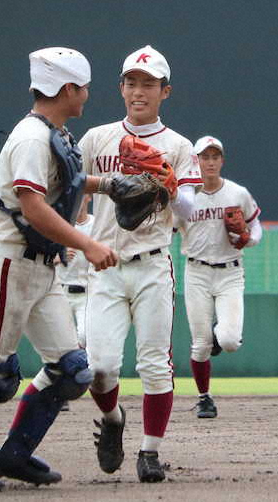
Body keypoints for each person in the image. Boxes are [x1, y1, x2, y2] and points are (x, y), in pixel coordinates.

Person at [0, 47, 117, 493]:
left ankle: (14, 455)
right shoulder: (32, 138)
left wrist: (112, 183)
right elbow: (33, 206)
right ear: (68, 88)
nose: (88, 95)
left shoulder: (53, 133)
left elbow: (70, 182)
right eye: (84, 87)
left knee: (72, 368)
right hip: (8, 266)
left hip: (40, 268)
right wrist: (87, 243)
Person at [79, 45, 202, 483]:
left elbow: (188, 210)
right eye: (131, 82)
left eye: (148, 84)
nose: (138, 91)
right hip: (105, 263)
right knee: (100, 367)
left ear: (165, 91)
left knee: (154, 362)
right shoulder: (97, 138)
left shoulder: (178, 145)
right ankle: (113, 419)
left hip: (152, 263)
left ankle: (150, 451)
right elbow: (75, 190)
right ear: (121, 88)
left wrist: (168, 187)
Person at [177, 135, 262, 419]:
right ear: (196, 161)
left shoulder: (237, 193)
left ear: (222, 160)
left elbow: (256, 227)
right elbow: (168, 229)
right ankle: (204, 398)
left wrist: (248, 239)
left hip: (230, 272)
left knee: (228, 341)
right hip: (196, 272)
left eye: (215, 157)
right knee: (199, 344)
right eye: (205, 157)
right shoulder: (185, 198)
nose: (210, 162)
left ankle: (218, 333)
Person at [59, 193, 95, 349]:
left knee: (84, 336)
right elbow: (44, 251)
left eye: (82, 194)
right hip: (61, 291)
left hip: (86, 293)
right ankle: (67, 370)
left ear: (89, 197)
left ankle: (76, 367)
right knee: (57, 341)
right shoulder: (60, 223)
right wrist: (59, 254)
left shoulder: (96, 224)